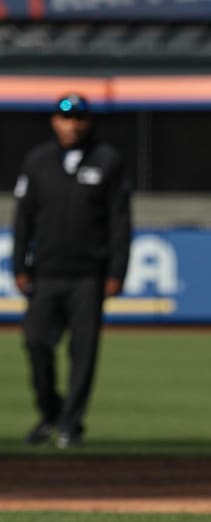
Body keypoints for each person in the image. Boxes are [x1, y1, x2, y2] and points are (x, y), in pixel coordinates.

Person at [12, 93, 132, 449]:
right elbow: (23, 219)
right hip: (46, 272)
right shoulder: (38, 161)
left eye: (79, 118)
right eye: (66, 117)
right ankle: (50, 412)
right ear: (54, 121)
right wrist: (20, 265)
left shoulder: (108, 160)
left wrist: (117, 271)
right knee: (35, 343)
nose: (72, 124)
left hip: (88, 275)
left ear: (88, 122)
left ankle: (70, 424)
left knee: (83, 352)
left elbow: (120, 222)